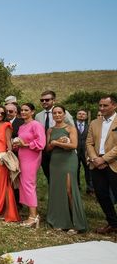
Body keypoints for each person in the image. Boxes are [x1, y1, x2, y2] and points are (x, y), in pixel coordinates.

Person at [45, 105, 87, 233]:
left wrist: (57, 143)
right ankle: (59, 220)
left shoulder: (71, 128)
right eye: (55, 113)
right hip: (55, 161)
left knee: (69, 189)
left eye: (59, 113)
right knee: (57, 190)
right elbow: (47, 149)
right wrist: (53, 144)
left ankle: (76, 223)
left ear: (64, 114)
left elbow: (74, 145)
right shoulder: (50, 130)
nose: (57, 115)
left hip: (69, 160)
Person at [86, 95, 117, 234]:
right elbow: (89, 142)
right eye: (100, 105)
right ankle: (113, 223)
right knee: (101, 195)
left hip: (113, 163)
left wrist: (104, 159)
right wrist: (94, 158)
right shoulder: (94, 123)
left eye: (105, 105)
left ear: (114, 106)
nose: (101, 108)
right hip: (96, 164)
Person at [15, 103, 46, 228]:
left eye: (26, 110)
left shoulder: (36, 125)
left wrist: (25, 145)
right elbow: (22, 142)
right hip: (22, 156)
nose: (23, 112)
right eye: (21, 110)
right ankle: (31, 213)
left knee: (28, 184)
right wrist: (17, 145)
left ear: (32, 112)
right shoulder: (22, 127)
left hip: (32, 157)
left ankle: (33, 216)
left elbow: (41, 143)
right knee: (24, 184)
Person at [35, 90, 73, 182]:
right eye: (42, 100)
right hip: (45, 150)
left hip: (60, 149)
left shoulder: (64, 113)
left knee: (61, 176)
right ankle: (53, 193)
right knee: (48, 175)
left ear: (54, 100)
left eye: (47, 100)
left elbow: (72, 129)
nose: (44, 102)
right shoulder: (38, 116)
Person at [74, 109, 93, 195]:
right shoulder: (71, 126)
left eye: (83, 114)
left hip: (86, 152)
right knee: (75, 170)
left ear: (86, 116)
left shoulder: (89, 126)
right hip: (74, 152)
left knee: (88, 170)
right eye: (79, 113)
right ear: (76, 115)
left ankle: (90, 188)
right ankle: (76, 187)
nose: (81, 115)